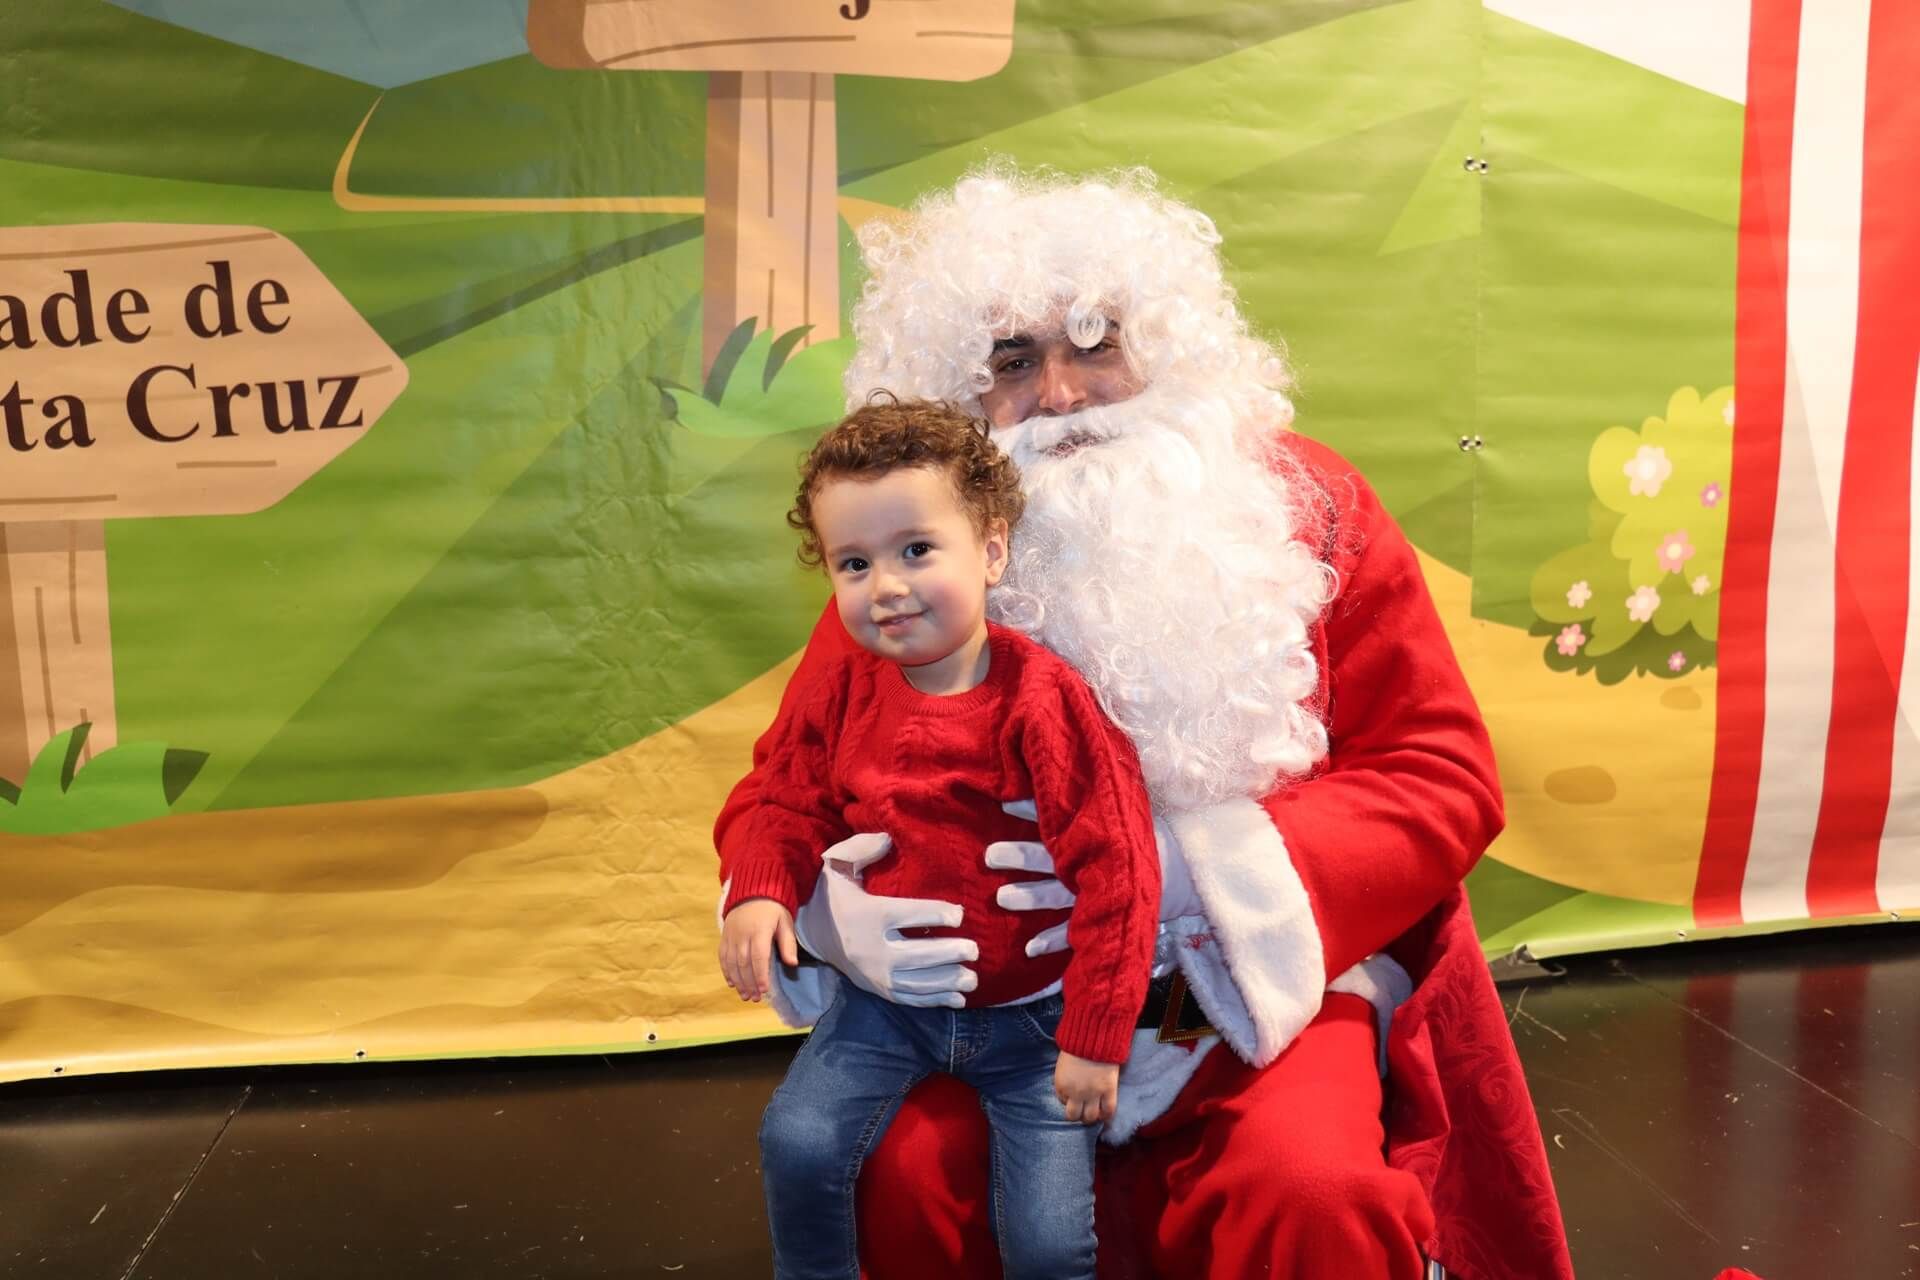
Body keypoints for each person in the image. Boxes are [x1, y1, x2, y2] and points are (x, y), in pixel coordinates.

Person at [715, 165, 1573, 1280]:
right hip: (986, 1016)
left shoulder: (1307, 507)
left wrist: (1181, 875)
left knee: (1311, 1192)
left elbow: (1439, 770)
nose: (1063, 395)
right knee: (895, 1171)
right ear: (956, 395)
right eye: (1012, 361)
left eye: (1095, 342)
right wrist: (826, 918)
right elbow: (787, 780)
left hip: (1226, 1008)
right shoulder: (910, 566)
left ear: (1165, 346)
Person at [718, 398, 1161, 1280]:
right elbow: (786, 795)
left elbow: (1119, 868)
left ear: (991, 551)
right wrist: (762, 889)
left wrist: (1094, 1037)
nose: (885, 586)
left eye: (917, 550)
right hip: (885, 1010)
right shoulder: (843, 686)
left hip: (1035, 1019)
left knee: (1048, 1241)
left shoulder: (1044, 701)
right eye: (854, 563)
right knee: (798, 1141)